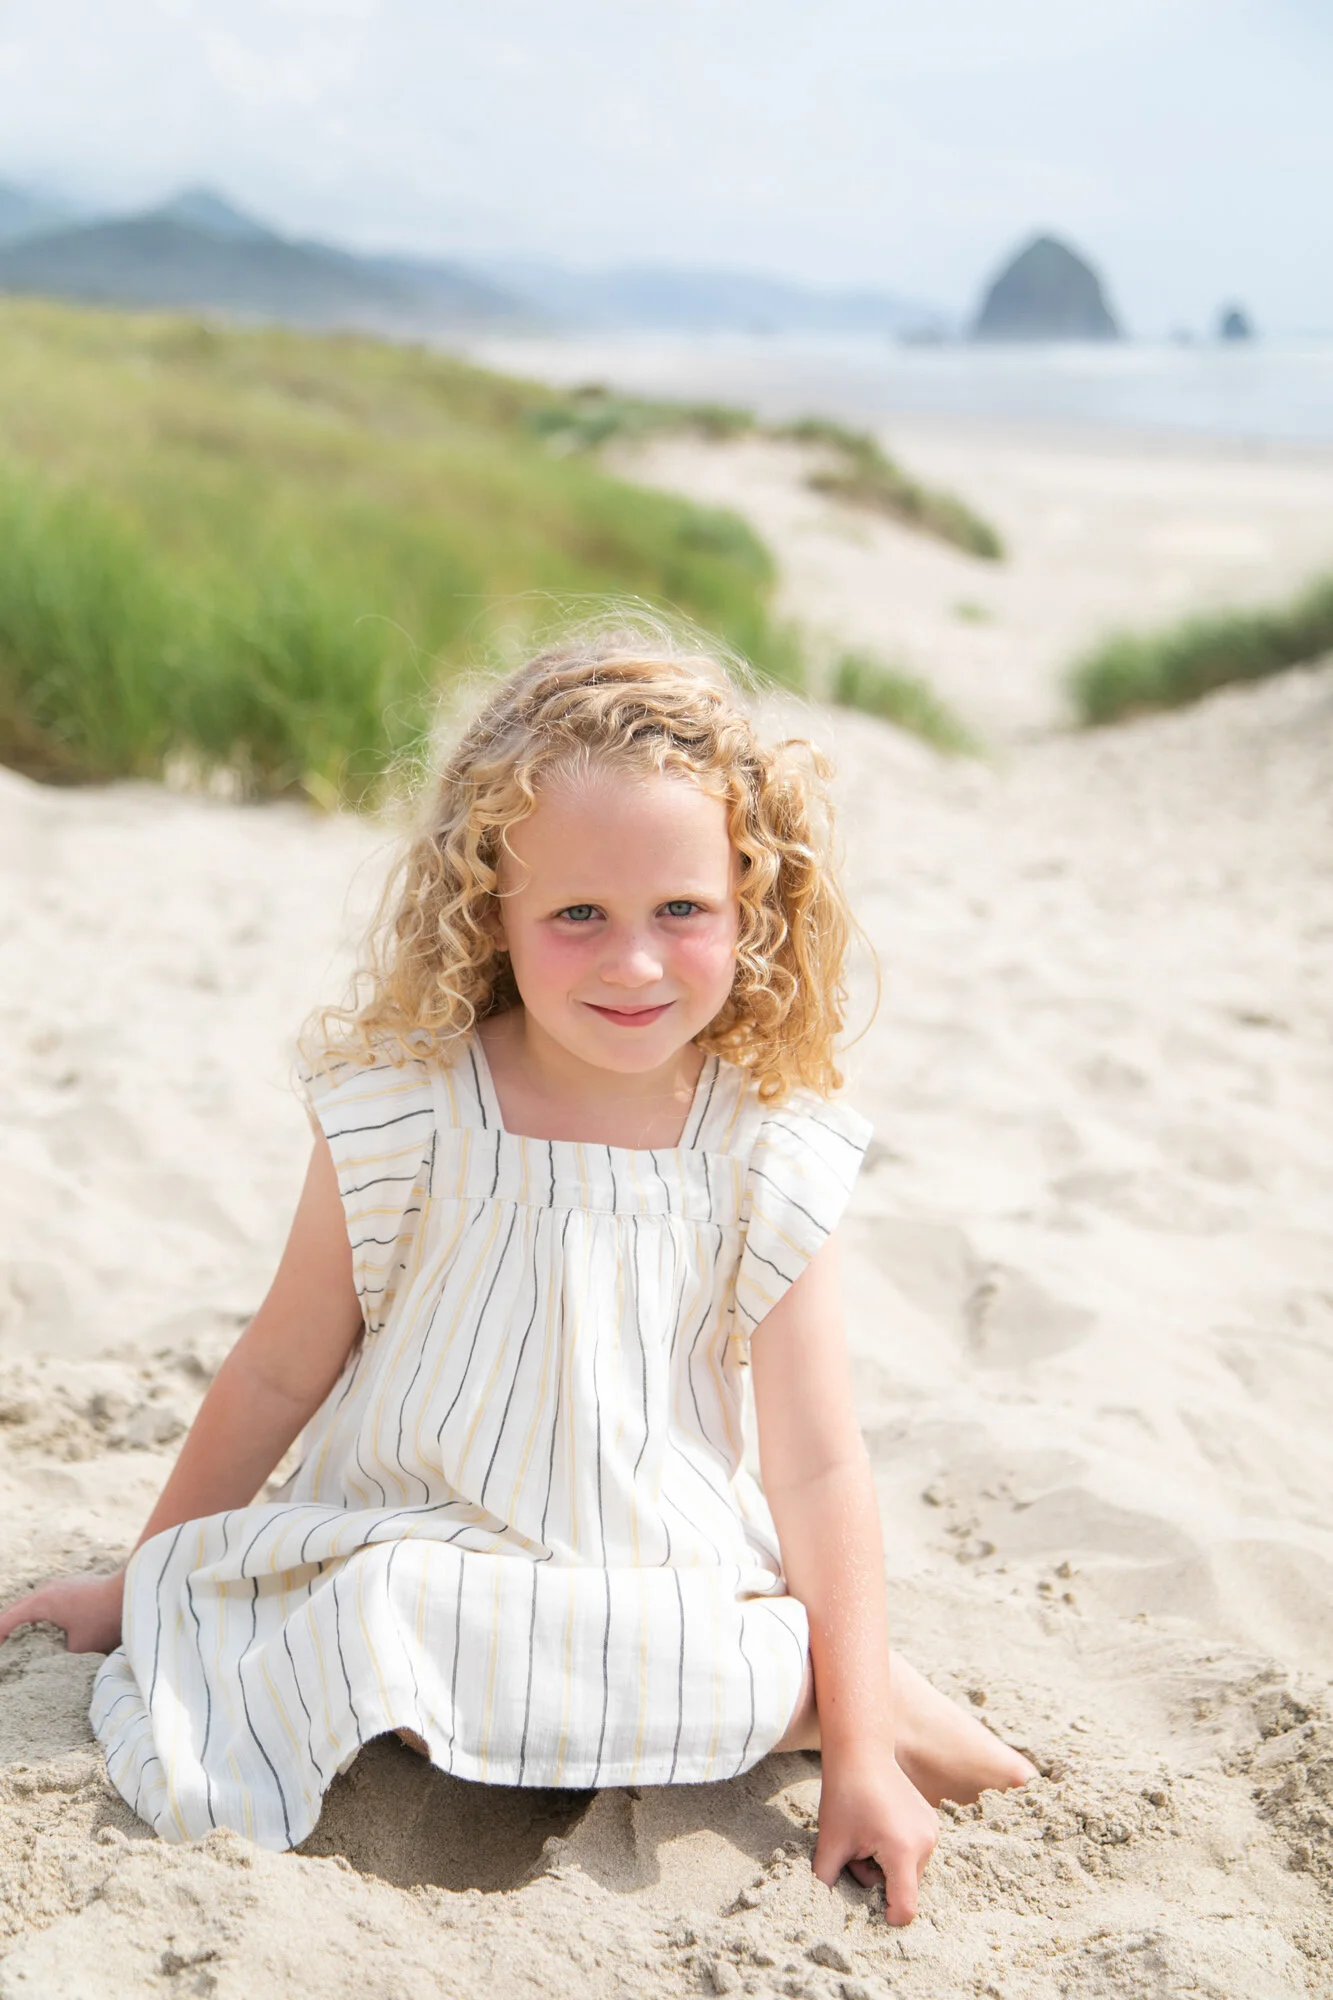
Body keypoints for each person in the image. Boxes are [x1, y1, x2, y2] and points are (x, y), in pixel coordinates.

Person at [0, 631, 1033, 1923]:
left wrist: (863, 1768)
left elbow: (820, 1461)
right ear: (492, 907)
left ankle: (848, 1705)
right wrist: (142, 1579)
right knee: (376, 1625)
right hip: (421, 1540)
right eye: (578, 915)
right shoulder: (409, 1111)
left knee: (706, 1656)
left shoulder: (766, 1144)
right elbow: (278, 1365)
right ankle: (828, 1690)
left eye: (683, 912)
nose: (634, 961)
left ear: (751, 903)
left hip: (652, 1571)